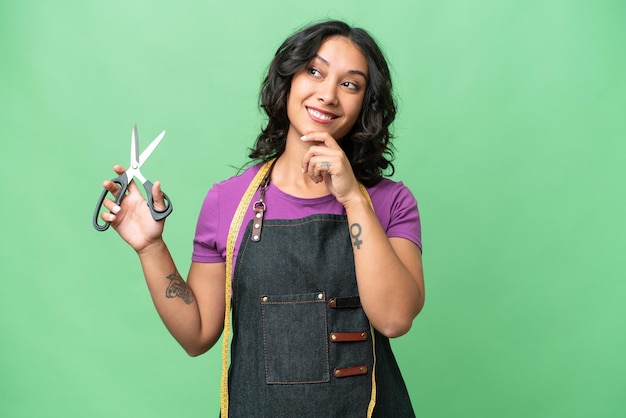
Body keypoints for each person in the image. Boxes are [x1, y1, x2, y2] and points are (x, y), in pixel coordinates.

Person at [100, 19, 424, 418]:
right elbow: (197, 334)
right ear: (288, 78)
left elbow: (394, 319)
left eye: (350, 84)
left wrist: (353, 198)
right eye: (315, 72)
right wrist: (150, 247)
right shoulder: (227, 201)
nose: (327, 95)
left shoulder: (390, 202)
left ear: (365, 106)